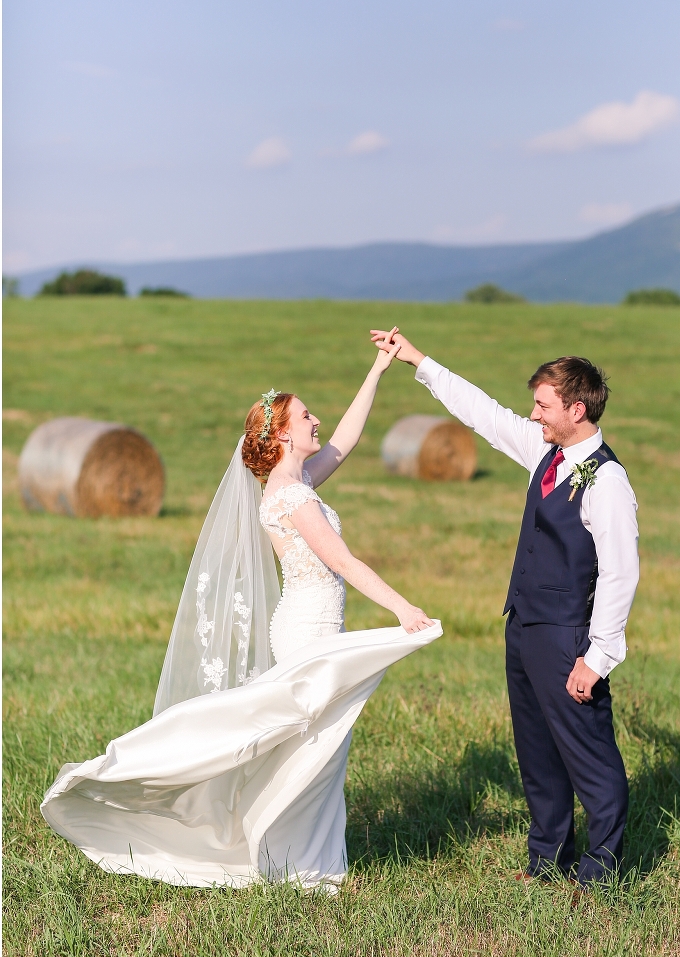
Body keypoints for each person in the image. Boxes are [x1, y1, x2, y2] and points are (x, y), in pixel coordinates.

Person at [42, 334, 440, 891]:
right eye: (306, 416)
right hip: (309, 630)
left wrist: (379, 368)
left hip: (315, 624)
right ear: (281, 433)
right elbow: (344, 562)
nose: (316, 420)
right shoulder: (293, 497)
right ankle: (296, 865)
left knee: (320, 748)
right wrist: (403, 607)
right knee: (314, 748)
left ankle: (304, 861)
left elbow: (345, 443)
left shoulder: (295, 481)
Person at [371, 328, 638, 887]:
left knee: (588, 754)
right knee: (537, 752)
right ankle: (547, 862)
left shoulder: (607, 479)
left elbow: (620, 572)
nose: (533, 413)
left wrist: (599, 655)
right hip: (523, 627)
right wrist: (419, 360)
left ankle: (604, 869)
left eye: (544, 405)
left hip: (569, 636)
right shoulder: (545, 452)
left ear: (577, 408)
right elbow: (483, 414)